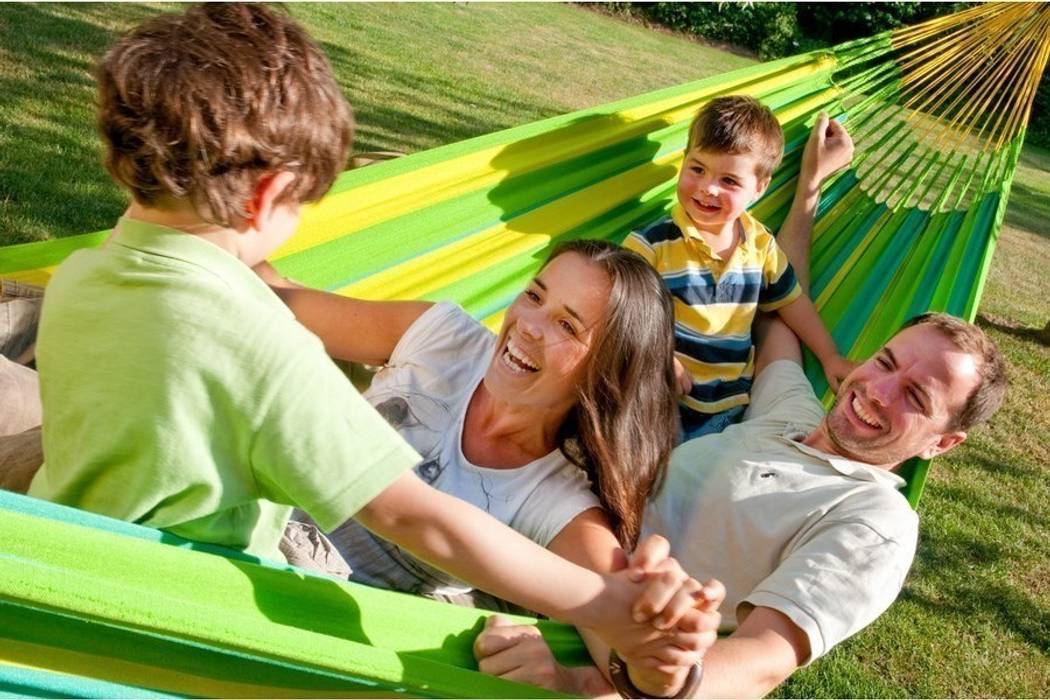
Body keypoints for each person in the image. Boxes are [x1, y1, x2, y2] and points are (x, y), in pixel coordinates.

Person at [25, 4, 717, 689]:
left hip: (52, 573)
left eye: (570, 326)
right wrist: (608, 605)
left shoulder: (84, 277)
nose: (530, 324)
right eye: (534, 295)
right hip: (170, 630)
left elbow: (640, 667)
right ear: (267, 197)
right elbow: (413, 516)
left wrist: (640, 646)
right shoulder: (265, 343)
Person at [473, 114, 1008, 697]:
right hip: (523, 518)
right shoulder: (789, 413)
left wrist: (576, 685)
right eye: (885, 362)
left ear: (943, 442)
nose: (876, 390)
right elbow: (775, 299)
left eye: (915, 396)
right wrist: (808, 190)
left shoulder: (873, 521)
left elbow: (758, 664)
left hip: (568, 628)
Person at [624, 96, 855, 440]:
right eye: (697, 168)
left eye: (729, 181)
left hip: (726, 409)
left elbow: (793, 303)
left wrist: (830, 356)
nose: (707, 188)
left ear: (759, 188)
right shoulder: (652, 244)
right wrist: (658, 358)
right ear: (683, 161)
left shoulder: (761, 246)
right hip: (657, 394)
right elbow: (622, 315)